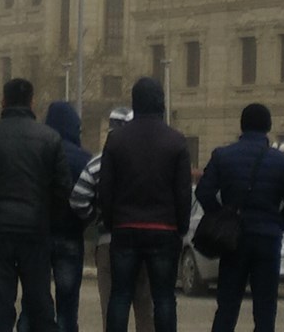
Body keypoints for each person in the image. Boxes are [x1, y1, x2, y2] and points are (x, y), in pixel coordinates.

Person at [0, 78, 71, 332]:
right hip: (36, 230)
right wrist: (48, 218)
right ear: (32, 102)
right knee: (40, 302)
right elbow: (63, 187)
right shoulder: (50, 138)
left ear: (3, 101)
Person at [196, 103, 284, 332]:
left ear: (241, 126)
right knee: (265, 308)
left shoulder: (222, 156)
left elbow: (203, 192)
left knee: (227, 305)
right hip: (268, 239)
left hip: (233, 239)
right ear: (269, 127)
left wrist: (222, 217)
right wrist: (278, 224)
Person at [98, 77, 191, 332]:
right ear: (161, 103)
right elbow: (183, 192)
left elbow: (105, 188)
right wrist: (180, 227)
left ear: (134, 103)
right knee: (163, 298)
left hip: (125, 226)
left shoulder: (116, 140)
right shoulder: (176, 141)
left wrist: (111, 221)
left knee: (120, 296)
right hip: (164, 228)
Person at [70, 107, 154, 332]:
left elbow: (78, 198)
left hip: (109, 242)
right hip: (146, 241)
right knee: (146, 309)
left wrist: (95, 219)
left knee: (112, 310)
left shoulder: (98, 162)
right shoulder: (151, 161)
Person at [16, 101, 92, 332]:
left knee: (32, 301)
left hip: (37, 236)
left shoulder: (34, 153)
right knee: (67, 305)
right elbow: (89, 197)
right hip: (70, 236)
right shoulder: (83, 159)